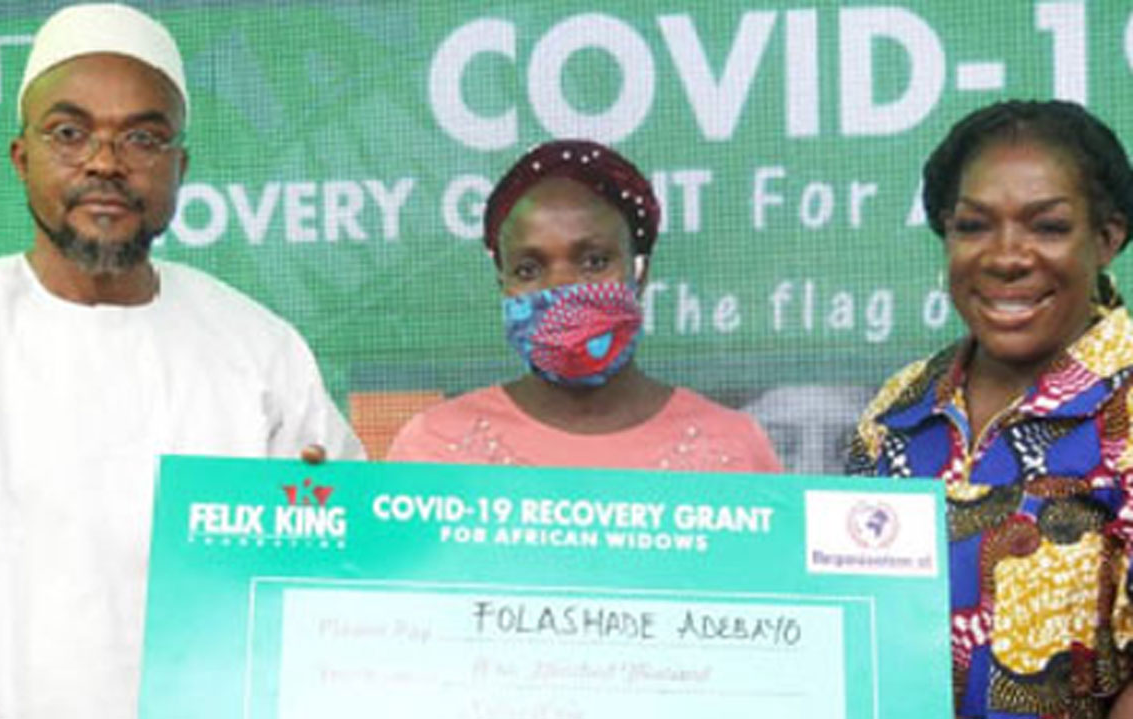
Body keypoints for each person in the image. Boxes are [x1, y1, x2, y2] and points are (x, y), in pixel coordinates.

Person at [0, 4, 363, 719]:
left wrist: (327, 531)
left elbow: (341, 605)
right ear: (21, 157)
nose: (104, 162)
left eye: (142, 138)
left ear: (180, 167)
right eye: (70, 133)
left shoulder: (259, 351)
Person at [847, 100, 1133, 718]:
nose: (1006, 257)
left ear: (1107, 238)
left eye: (1048, 227)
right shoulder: (897, 411)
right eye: (974, 226)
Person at [387, 139, 780, 472]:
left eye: (594, 261)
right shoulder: (434, 449)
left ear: (639, 272)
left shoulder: (734, 448)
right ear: (503, 285)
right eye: (528, 269)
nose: (562, 287)